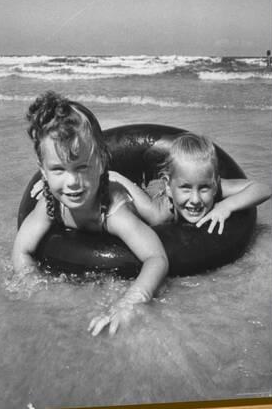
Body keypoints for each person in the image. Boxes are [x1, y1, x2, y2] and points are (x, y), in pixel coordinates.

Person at [12, 92, 169, 336]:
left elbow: (156, 258)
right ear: (43, 171)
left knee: (159, 217)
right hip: (100, 181)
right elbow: (22, 247)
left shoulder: (114, 213)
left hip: (118, 193)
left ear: (101, 161)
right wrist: (28, 280)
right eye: (58, 169)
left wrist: (129, 303)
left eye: (82, 167)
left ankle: (122, 178)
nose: (72, 182)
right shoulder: (50, 204)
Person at [109, 132, 272, 234]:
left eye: (204, 188)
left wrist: (226, 206)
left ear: (215, 184)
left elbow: (263, 189)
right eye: (186, 188)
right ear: (169, 187)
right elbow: (126, 187)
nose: (195, 199)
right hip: (150, 193)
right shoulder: (159, 214)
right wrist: (116, 177)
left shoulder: (217, 187)